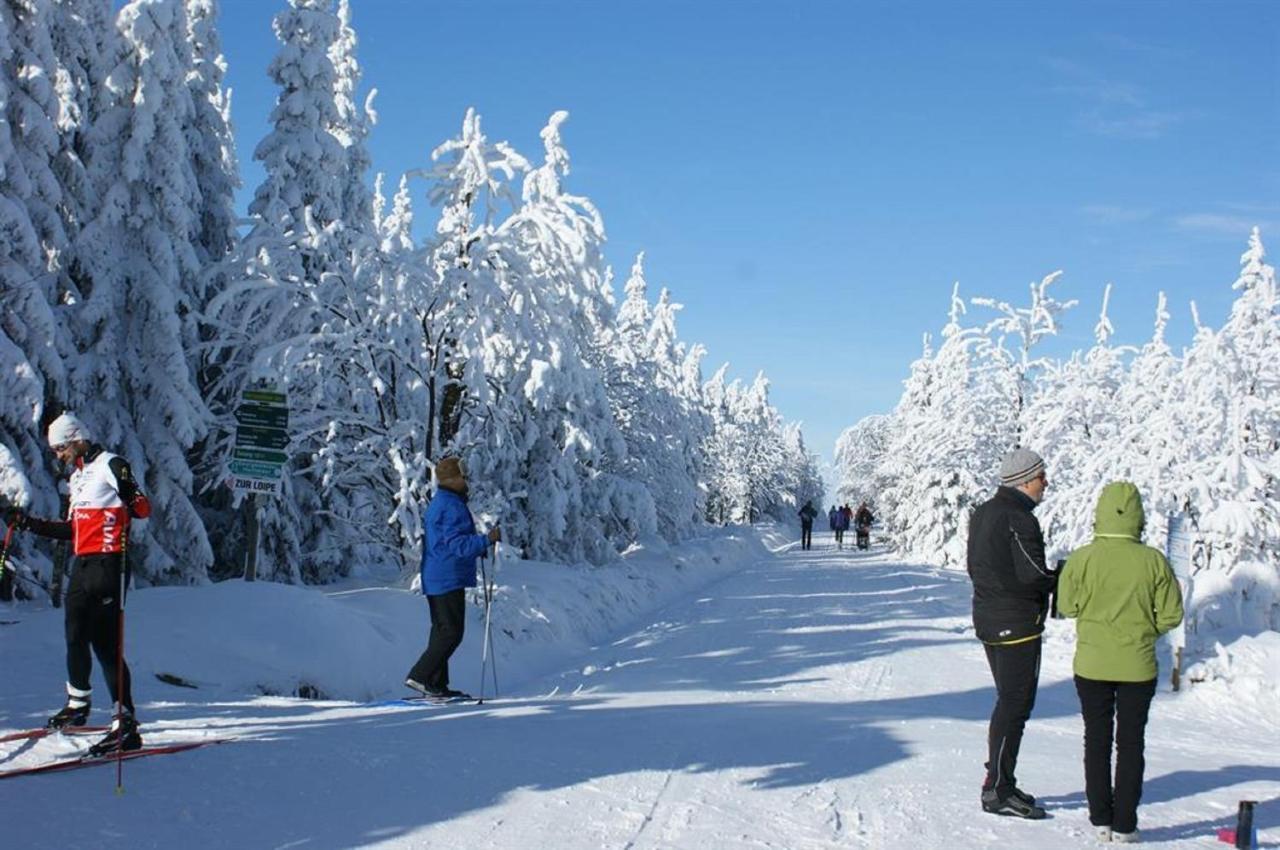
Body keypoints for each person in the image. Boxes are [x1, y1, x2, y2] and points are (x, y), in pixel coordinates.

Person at [4, 413, 151, 756]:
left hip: (110, 562)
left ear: (77, 439)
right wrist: (27, 524)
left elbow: (142, 508)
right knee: (73, 634)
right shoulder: (79, 476)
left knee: (104, 642)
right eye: (55, 450)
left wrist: (129, 504)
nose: (58, 455)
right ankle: (78, 705)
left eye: (61, 448)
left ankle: (125, 723)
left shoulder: (111, 464)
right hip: (83, 564)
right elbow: (72, 530)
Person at [1057, 482, 1184, 844]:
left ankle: (1100, 818)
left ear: (1100, 513)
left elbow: (1067, 607)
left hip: (1092, 664)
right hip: (1138, 666)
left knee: (1095, 739)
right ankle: (1126, 823)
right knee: (1131, 744)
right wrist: (1147, 630)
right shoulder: (1154, 560)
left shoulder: (1083, 558)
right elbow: (1172, 614)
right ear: (1138, 517)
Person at [966, 447, 1057, 819]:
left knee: (1008, 701)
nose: (1045, 483)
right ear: (1024, 481)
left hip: (990, 617)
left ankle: (1000, 781)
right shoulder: (1018, 517)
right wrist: (1065, 579)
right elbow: (1033, 571)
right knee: (1015, 704)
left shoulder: (984, 513)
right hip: (1016, 622)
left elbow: (975, 565)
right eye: (1041, 477)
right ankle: (998, 789)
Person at [405, 456, 500, 699]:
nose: (467, 480)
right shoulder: (451, 505)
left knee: (442, 631)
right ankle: (420, 676)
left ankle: (436, 685)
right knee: (450, 633)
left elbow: (450, 542)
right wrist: (486, 540)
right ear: (453, 479)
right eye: (463, 476)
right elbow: (457, 545)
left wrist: (479, 545)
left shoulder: (444, 502)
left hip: (439, 574)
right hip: (447, 576)